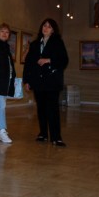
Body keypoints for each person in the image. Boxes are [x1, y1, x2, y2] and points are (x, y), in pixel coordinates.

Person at [23, 18, 68, 147]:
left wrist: (49, 60)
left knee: (52, 109)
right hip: (38, 81)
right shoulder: (35, 44)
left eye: (49, 26)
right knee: (41, 108)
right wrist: (27, 80)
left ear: (53, 29)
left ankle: (56, 137)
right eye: (44, 25)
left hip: (52, 81)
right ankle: (43, 133)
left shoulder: (58, 43)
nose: (45, 28)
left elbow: (64, 60)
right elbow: (29, 64)